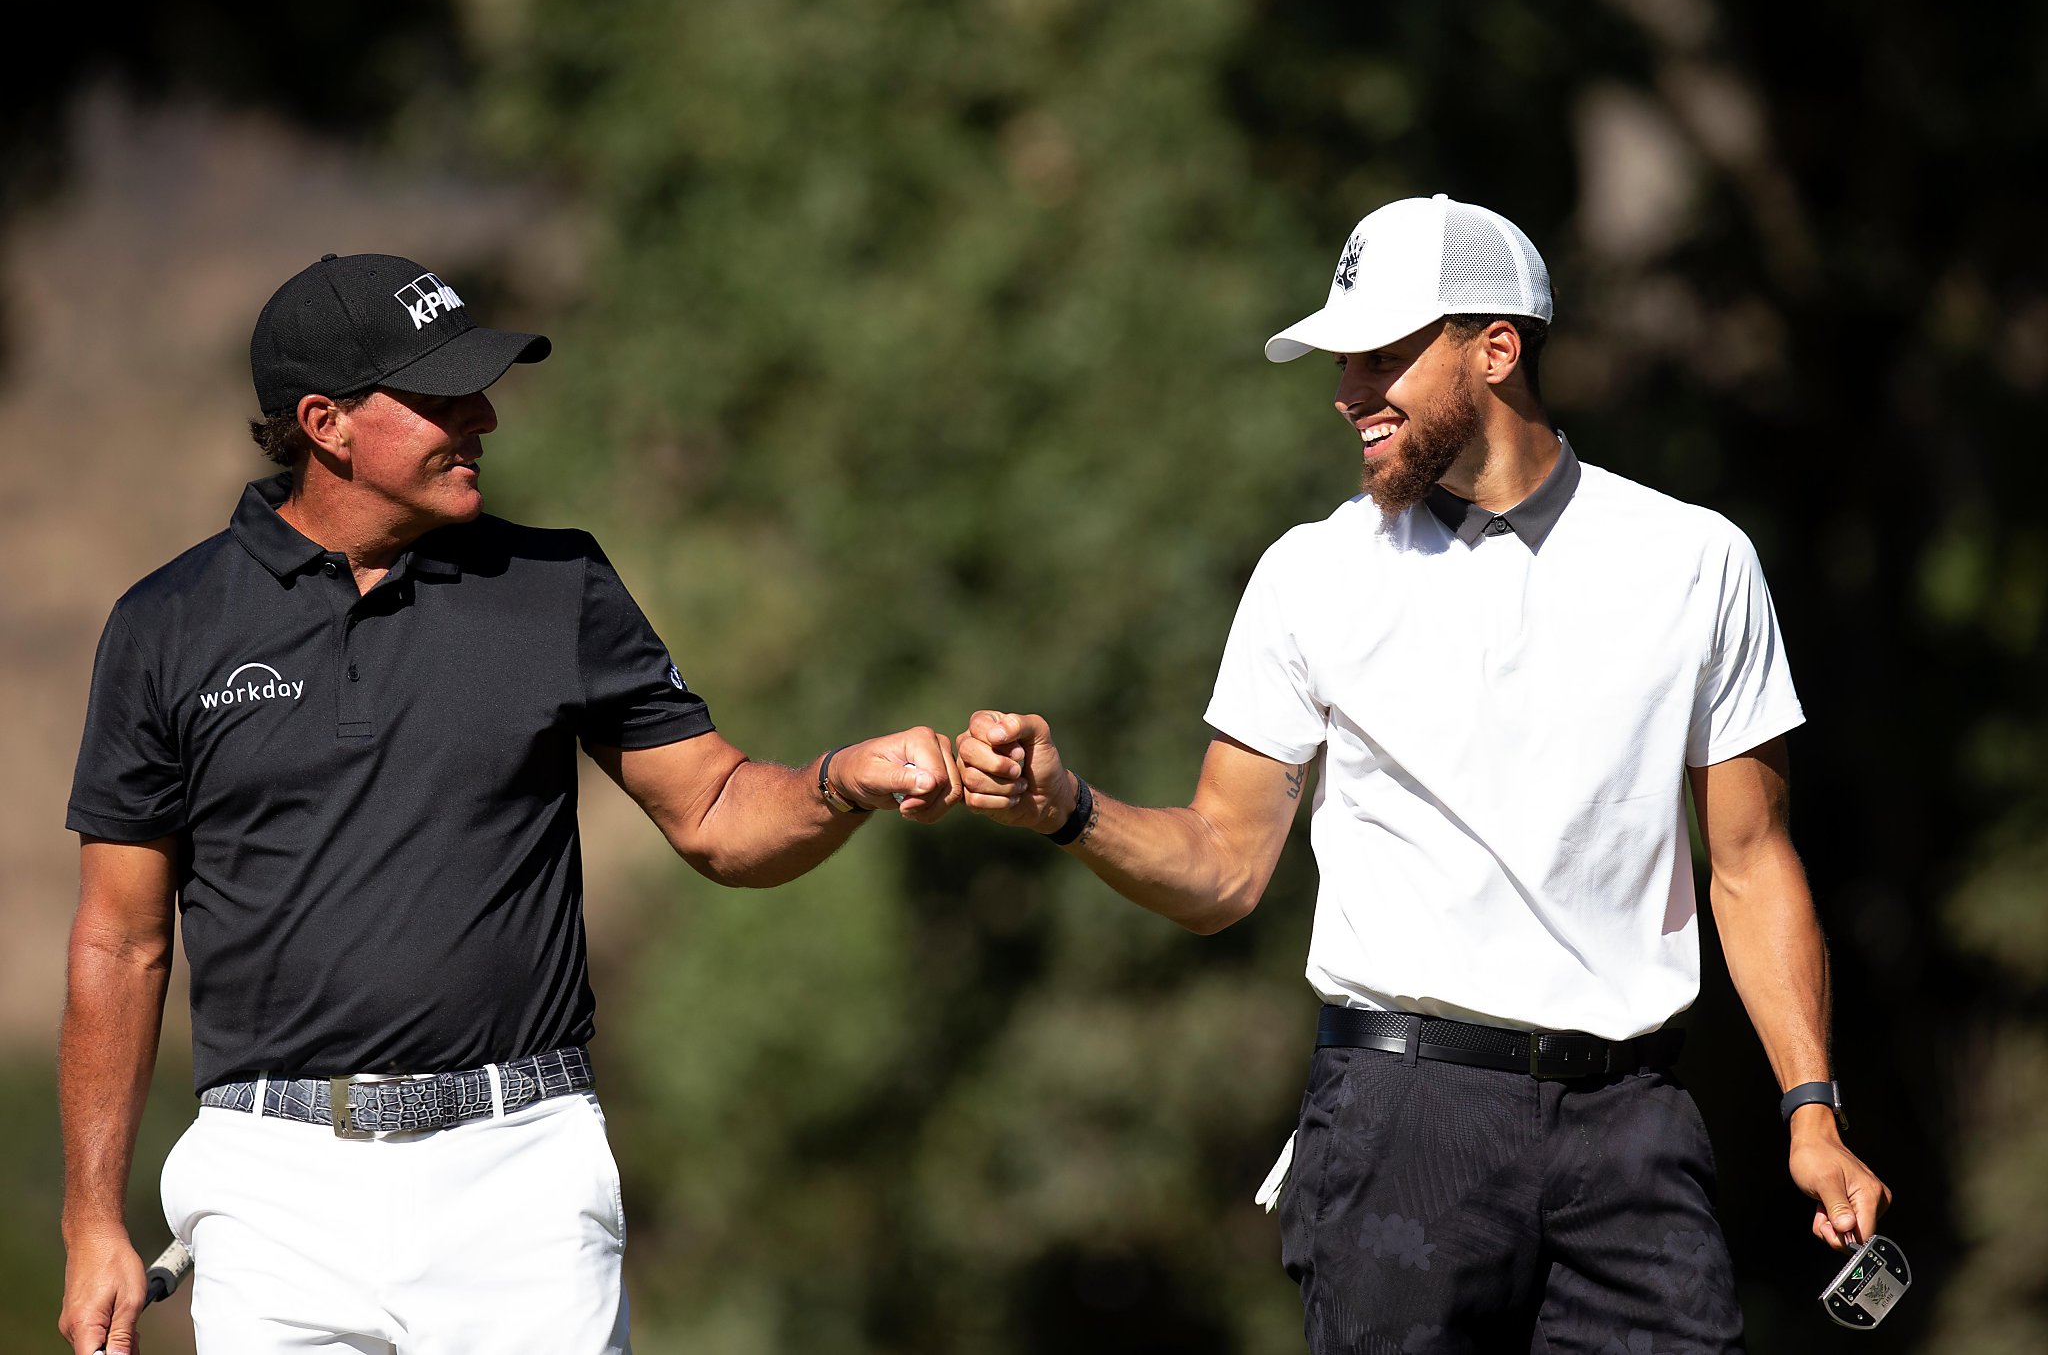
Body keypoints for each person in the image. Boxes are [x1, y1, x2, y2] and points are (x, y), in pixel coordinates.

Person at [955, 194, 1889, 1352]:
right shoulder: (1310, 576)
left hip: (1633, 1128)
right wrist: (1067, 810)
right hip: (1402, 1120)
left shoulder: (1695, 562)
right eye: (1342, 358)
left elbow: (1748, 866)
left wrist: (1811, 1109)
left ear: (1494, 348)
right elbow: (1221, 868)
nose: (1348, 390)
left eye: (1383, 355)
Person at [58, 252, 962, 1355]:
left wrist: (838, 783)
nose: (482, 416)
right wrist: (90, 1218)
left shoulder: (556, 586)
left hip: (519, 1179)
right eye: (440, 397)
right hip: (271, 1186)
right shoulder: (167, 625)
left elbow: (719, 814)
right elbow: (119, 940)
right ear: (325, 423)